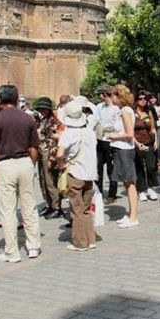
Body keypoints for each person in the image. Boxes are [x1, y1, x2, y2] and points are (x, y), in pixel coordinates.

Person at [0, 85, 42, 262]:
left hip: (5, 164)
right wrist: (31, 164)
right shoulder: (28, 118)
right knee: (29, 206)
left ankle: (12, 251)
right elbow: (34, 146)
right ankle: (33, 246)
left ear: (0, 100)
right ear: (17, 100)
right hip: (25, 162)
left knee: (8, 210)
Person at [56, 100, 98, 251]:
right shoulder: (90, 132)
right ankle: (91, 239)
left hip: (75, 173)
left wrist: (61, 165)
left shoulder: (68, 133)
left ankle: (80, 242)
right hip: (89, 174)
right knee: (86, 209)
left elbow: (59, 154)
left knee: (77, 209)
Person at [107, 84, 139, 228]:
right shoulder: (125, 110)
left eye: (113, 95)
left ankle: (133, 217)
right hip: (122, 149)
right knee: (127, 182)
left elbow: (130, 134)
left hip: (124, 150)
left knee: (129, 182)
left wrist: (113, 136)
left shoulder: (125, 111)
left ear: (119, 96)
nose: (111, 98)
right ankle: (130, 214)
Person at [34, 97, 63, 219]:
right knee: (43, 180)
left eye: (44, 108)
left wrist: (52, 157)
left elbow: (56, 140)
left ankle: (57, 207)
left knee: (51, 181)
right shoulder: (42, 119)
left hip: (49, 152)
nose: (43, 111)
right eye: (41, 108)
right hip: (41, 151)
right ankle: (48, 204)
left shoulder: (53, 121)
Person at [133, 91, 159, 202]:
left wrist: (156, 140)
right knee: (139, 167)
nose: (143, 100)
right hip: (137, 143)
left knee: (151, 166)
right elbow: (130, 131)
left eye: (145, 98)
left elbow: (152, 128)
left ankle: (150, 187)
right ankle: (141, 190)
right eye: (140, 98)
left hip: (149, 142)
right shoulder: (133, 113)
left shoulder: (149, 112)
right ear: (136, 100)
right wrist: (136, 143)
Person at [95, 85, 119, 204]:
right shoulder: (100, 107)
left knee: (111, 168)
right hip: (100, 139)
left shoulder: (116, 108)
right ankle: (98, 191)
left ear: (104, 94)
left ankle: (112, 193)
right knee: (98, 166)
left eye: (100, 94)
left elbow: (117, 125)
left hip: (111, 140)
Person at [148, 93, 160, 170]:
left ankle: (159, 160)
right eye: (151, 98)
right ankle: (154, 161)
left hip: (159, 126)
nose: (152, 100)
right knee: (152, 144)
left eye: (154, 98)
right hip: (151, 127)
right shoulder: (147, 107)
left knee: (158, 145)